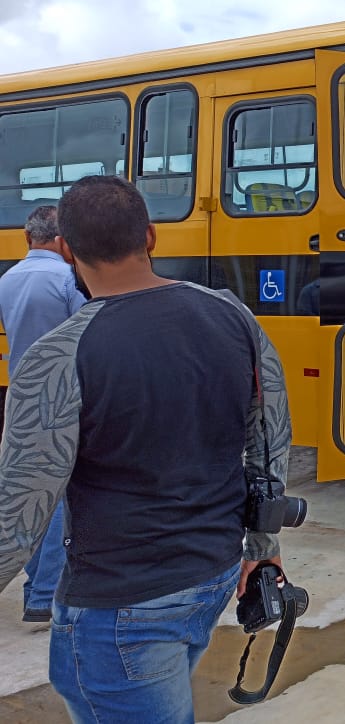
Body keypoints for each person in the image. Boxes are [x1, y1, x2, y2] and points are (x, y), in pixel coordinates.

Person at [0, 176, 292, 722]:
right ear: (151, 237)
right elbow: (270, 436)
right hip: (214, 572)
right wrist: (262, 543)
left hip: (118, 608)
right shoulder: (233, 315)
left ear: (65, 248)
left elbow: (18, 510)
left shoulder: (55, 357)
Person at [0, 204, 87, 622]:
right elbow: (85, 333)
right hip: (66, 396)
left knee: (32, 492)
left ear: (27, 238)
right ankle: (44, 594)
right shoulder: (68, 278)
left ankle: (37, 589)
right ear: (61, 240)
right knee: (59, 498)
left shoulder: (8, 279)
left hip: (22, 395)